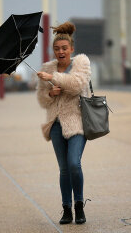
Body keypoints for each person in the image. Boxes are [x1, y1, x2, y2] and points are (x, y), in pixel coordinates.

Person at [36, 22, 92, 225]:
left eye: (64, 48)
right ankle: (66, 209)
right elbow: (42, 99)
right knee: (64, 169)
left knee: (74, 164)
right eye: (57, 49)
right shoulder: (46, 68)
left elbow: (77, 85)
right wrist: (50, 92)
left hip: (77, 122)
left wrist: (54, 78)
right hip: (56, 124)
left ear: (71, 49)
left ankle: (79, 205)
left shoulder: (81, 63)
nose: (60, 52)